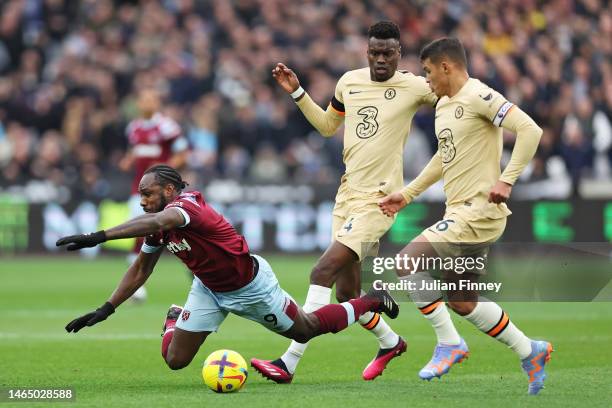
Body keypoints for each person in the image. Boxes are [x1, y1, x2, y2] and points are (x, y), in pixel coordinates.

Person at [56, 165, 399, 371]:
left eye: (148, 193)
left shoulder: (186, 207)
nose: (142, 200)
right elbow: (141, 269)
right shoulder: (157, 224)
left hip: (251, 287)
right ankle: (177, 316)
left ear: (170, 190)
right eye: (140, 195)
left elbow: (162, 218)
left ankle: (372, 299)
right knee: (175, 361)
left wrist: (98, 236)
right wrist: (107, 308)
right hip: (208, 289)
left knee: (306, 330)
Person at [251, 21, 438, 383]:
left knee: (321, 271)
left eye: (388, 53)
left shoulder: (414, 85)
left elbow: (452, 98)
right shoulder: (349, 82)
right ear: (367, 52)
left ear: (399, 54)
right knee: (348, 292)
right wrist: (298, 93)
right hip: (347, 195)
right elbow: (326, 126)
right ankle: (391, 342)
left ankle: (288, 362)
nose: (381, 59)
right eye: (375, 52)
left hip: (379, 201)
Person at [378, 38, 552, 395]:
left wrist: (507, 178)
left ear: (447, 66)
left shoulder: (479, 95)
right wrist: (409, 193)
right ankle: (529, 351)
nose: (426, 80)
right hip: (460, 211)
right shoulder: (444, 106)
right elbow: (445, 158)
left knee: (407, 263)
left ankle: (449, 343)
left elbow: (530, 130)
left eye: (427, 71)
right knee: (462, 300)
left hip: (479, 211)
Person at [118, 88, 189, 302]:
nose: (147, 103)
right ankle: (137, 287)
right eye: (143, 99)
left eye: (151, 99)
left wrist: (163, 169)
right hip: (139, 189)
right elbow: (134, 151)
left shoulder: (167, 126)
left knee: (182, 233)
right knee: (138, 233)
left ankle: (196, 271)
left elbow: (183, 154)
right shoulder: (134, 127)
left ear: (157, 102)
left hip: (164, 192)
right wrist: (128, 161)